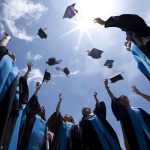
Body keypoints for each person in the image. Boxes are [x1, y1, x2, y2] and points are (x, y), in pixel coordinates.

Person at [104, 79, 150, 150]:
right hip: (134, 138)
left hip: (147, 134)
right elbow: (113, 99)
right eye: (122, 100)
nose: (125, 100)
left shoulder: (138, 109)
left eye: (126, 99)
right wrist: (107, 87)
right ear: (120, 103)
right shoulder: (122, 111)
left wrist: (140, 93)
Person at [18, 82, 46, 150]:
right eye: (41, 107)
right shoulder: (35, 111)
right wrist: (37, 90)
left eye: (43, 108)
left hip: (33, 138)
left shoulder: (43, 122)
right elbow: (34, 99)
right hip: (26, 129)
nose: (42, 108)